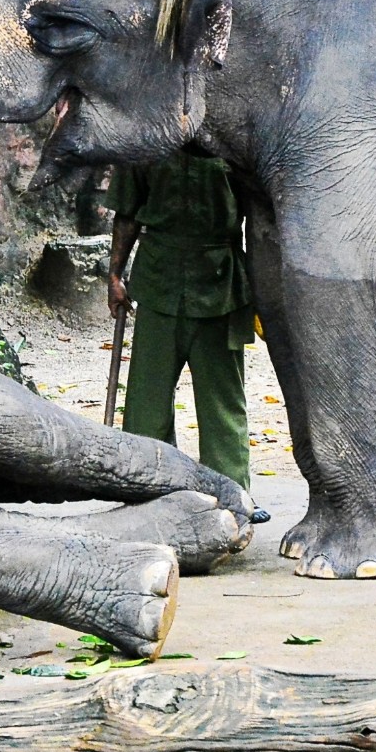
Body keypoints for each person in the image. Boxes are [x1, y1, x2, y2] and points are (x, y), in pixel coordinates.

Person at [108, 153, 268, 523]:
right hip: (158, 281)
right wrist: (114, 274)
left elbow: (261, 217)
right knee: (147, 399)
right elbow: (127, 211)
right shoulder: (145, 138)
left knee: (222, 402)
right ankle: (147, 492)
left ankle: (233, 498)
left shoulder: (233, 139)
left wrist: (261, 288)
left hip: (219, 284)